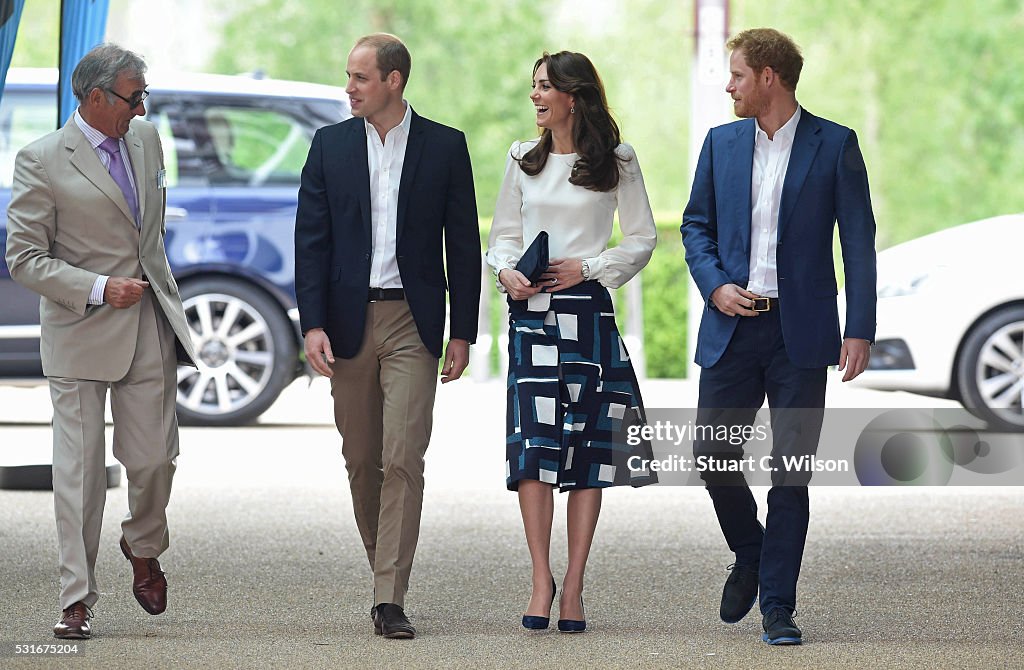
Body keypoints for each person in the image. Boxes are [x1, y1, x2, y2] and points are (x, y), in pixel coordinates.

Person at [681, 28, 877, 645]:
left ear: (769, 77)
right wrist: (714, 285)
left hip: (802, 333)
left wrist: (860, 328)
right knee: (713, 458)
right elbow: (695, 227)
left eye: (736, 74)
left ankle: (778, 608)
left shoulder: (835, 144)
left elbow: (858, 241)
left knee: (790, 472)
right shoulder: (721, 143)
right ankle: (752, 551)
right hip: (732, 329)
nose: (728, 84)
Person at [5, 44, 198, 639]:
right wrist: (94, 287)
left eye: (144, 95)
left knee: (154, 461)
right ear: (94, 97)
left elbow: (150, 234)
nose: (142, 107)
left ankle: (142, 545)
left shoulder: (147, 142)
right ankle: (76, 598)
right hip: (80, 332)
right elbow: (23, 258)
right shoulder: (40, 160)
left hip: (148, 324)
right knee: (80, 475)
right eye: (133, 96)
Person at [294, 33, 480, 640]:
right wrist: (312, 322)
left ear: (394, 81)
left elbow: (464, 245)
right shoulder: (328, 146)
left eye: (360, 78)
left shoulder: (446, 147)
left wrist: (463, 331)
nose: (349, 88)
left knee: (404, 455)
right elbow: (311, 241)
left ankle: (388, 597)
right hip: (347, 323)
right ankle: (385, 569)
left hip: (413, 321)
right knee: (361, 460)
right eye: (349, 77)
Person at [487, 51, 657, 634]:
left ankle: (575, 585)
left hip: (587, 316)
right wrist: (506, 271)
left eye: (544, 88)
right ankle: (541, 578)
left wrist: (589, 266)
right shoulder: (520, 159)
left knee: (589, 454)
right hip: (531, 318)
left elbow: (641, 239)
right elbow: (502, 238)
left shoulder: (618, 161)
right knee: (532, 451)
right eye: (533, 86)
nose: (535, 97)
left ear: (574, 97)